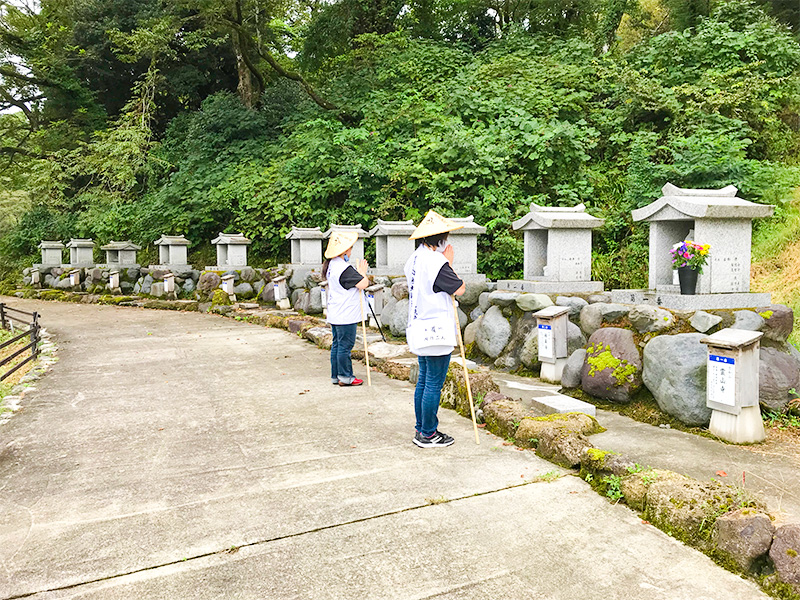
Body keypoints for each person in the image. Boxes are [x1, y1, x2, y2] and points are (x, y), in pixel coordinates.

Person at [404, 210, 466, 448]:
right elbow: (459, 288)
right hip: (437, 328)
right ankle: (428, 433)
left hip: (420, 325)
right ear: (439, 238)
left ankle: (421, 428)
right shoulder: (436, 261)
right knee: (433, 383)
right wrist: (449, 263)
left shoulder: (414, 259)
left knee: (424, 380)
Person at [322, 231, 370, 387]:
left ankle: (336, 375)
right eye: (349, 248)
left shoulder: (332, 265)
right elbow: (363, 284)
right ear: (343, 251)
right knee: (345, 346)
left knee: (337, 345)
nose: (351, 251)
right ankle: (346, 376)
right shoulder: (343, 268)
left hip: (337, 312)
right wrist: (362, 272)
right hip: (346, 314)